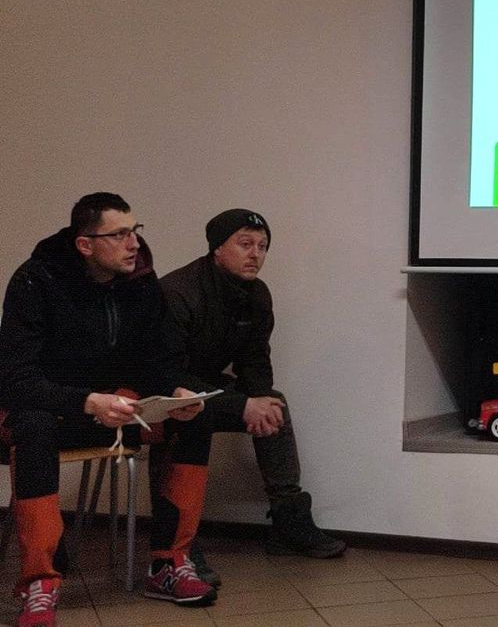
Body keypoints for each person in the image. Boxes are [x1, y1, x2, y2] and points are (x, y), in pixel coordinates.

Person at [0, 193, 218, 626]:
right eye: (119, 234)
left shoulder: (141, 282)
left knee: (192, 418)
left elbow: (156, 359)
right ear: (85, 244)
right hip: (50, 409)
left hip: (116, 408)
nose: (133, 244)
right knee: (33, 424)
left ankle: (169, 562)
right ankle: (40, 585)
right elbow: (17, 380)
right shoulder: (34, 281)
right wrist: (86, 401)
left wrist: (174, 392)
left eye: (135, 231)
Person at [159, 208, 345, 585]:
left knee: (274, 401)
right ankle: (177, 544)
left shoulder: (256, 294)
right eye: (245, 244)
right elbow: (168, 374)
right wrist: (241, 404)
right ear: (217, 249)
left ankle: (289, 519)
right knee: (190, 410)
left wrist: (258, 402)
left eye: (262, 246)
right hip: (164, 392)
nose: (255, 254)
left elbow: (255, 360)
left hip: (208, 387)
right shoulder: (177, 292)